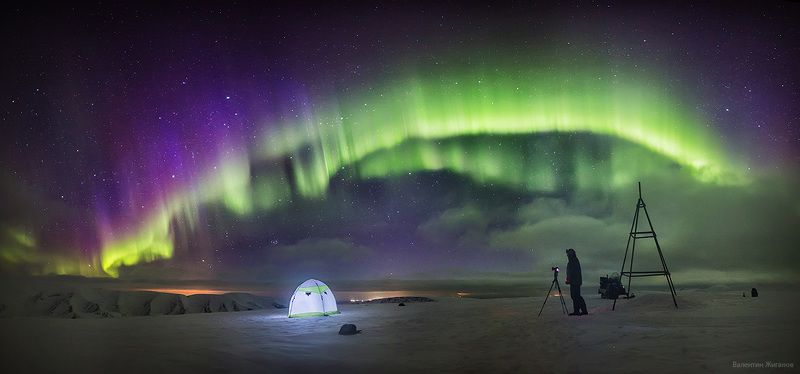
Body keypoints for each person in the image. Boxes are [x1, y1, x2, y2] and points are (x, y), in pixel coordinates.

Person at [565, 248, 588, 316]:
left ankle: (582, 311)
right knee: (575, 296)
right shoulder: (572, 260)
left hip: (575, 281)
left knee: (576, 296)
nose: (567, 255)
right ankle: (577, 311)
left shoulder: (574, 260)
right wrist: (569, 279)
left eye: (568, 254)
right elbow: (571, 271)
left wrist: (570, 279)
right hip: (574, 281)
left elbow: (574, 271)